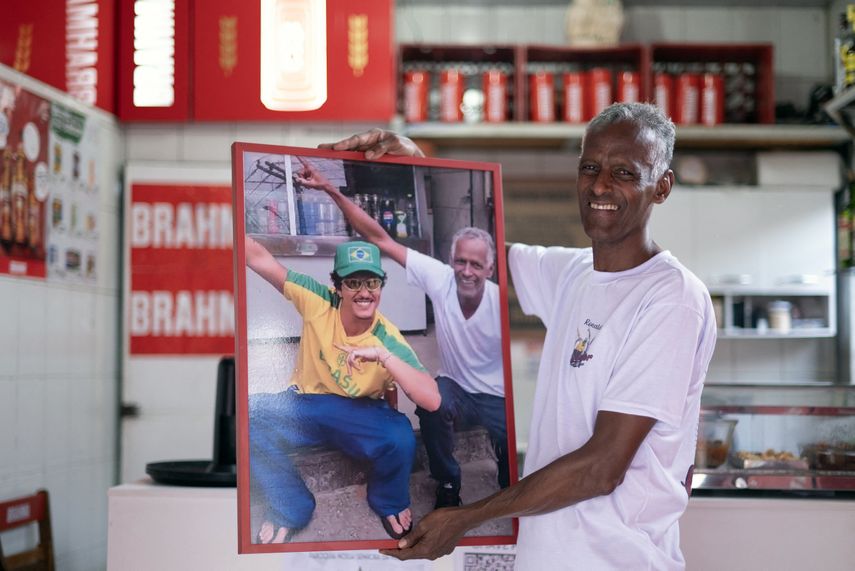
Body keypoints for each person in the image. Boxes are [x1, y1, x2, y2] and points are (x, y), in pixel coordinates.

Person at [322, 104, 717, 569]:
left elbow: (602, 467)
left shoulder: (671, 297)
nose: (601, 185)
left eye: (625, 172)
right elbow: (484, 256)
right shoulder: (574, 274)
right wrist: (416, 164)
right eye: (590, 167)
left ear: (662, 187)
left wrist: (466, 518)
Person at [293, 158, 508, 510]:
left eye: (477, 265)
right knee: (432, 405)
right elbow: (378, 237)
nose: (467, 271)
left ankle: (508, 478)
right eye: (461, 262)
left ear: (491, 269)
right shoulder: (440, 279)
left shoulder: (501, 304)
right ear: (450, 260)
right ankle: (448, 484)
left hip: (498, 394)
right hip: (456, 388)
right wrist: (331, 189)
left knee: (512, 458)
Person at [245, 237, 441, 543]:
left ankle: (388, 500)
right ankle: (291, 506)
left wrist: (384, 356)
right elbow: (258, 257)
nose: (364, 292)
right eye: (353, 283)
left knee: (400, 436)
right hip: (305, 404)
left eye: (372, 282)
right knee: (246, 415)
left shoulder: (387, 337)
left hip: (358, 414)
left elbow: (431, 399)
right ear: (338, 287)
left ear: (380, 287)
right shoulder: (317, 300)